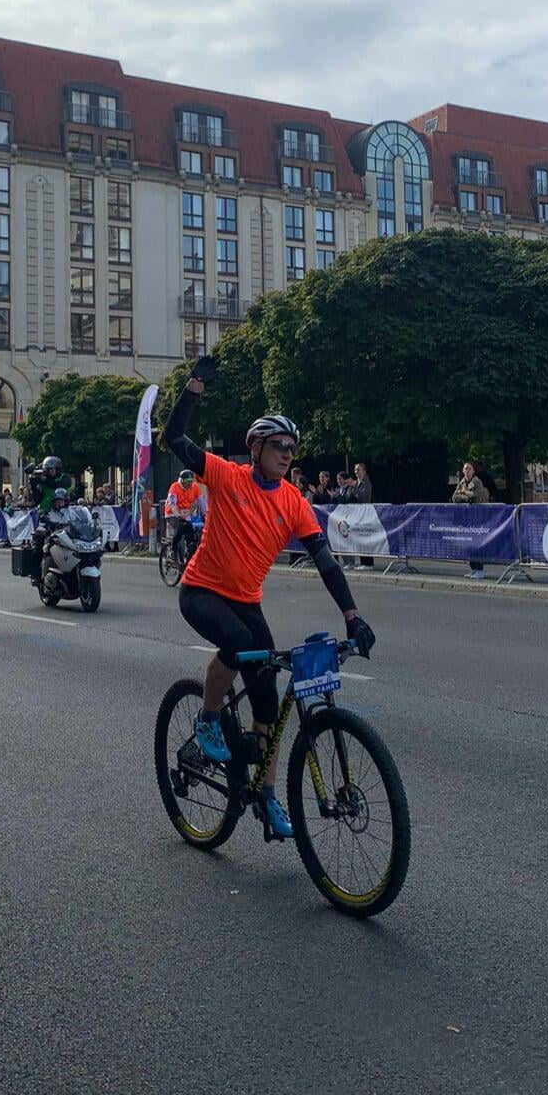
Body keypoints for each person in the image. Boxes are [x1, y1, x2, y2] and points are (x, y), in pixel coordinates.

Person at [160, 357, 375, 841]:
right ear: (255, 448)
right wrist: (193, 388)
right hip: (202, 592)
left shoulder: (294, 501)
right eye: (279, 446)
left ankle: (266, 792)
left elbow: (324, 560)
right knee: (236, 643)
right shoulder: (226, 475)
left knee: (267, 705)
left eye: (292, 449)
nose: (287, 455)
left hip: (246, 599)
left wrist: (352, 615)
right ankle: (209, 718)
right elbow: (173, 439)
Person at [452, 461, 490, 578]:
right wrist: (465, 495)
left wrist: (464, 494)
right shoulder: (462, 482)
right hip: (467, 518)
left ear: (473, 471)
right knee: (468, 543)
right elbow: (454, 497)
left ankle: (480, 569)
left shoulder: (477, 482)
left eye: (469, 469)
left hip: (477, 517)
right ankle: (473, 568)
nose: (467, 471)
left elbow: (476, 496)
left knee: (477, 543)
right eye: (465, 469)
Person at [165, 468, 205, 567]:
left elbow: (202, 502)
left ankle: (190, 555)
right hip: (173, 514)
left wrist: (206, 515)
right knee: (181, 529)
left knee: (192, 534)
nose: (190, 484)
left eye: (191, 482)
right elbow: (172, 504)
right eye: (188, 482)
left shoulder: (195, 487)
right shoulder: (175, 487)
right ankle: (173, 551)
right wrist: (177, 514)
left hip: (187, 515)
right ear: (182, 481)